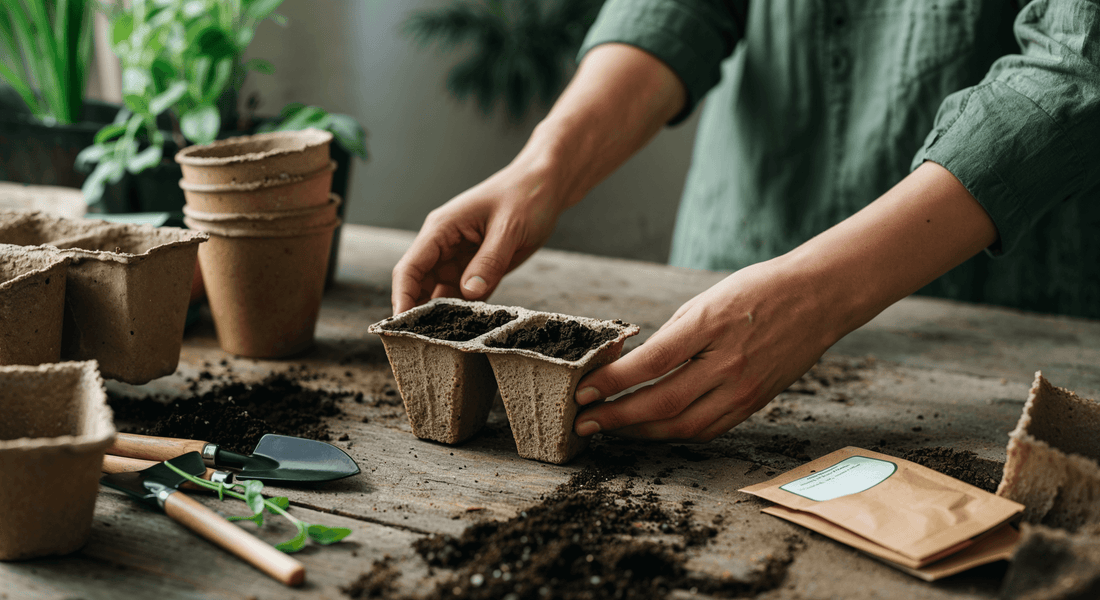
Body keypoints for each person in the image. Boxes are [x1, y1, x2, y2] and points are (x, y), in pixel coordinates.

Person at [391, 1, 1100, 443]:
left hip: (988, 311)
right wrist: (544, 167)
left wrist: (820, 293)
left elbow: (1075, 66)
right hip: (736, 247)